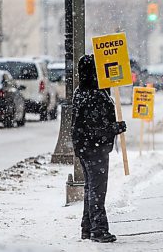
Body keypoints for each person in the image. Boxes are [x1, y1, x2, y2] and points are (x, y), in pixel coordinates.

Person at [71, 54, 127, 243]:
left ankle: (87, 227)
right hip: (95, 148)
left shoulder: (82, 91)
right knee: (97, 189)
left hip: (86, 148)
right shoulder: (95, 95)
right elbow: (96, 129)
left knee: (90, 188)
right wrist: (116, 128)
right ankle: (98, 229)